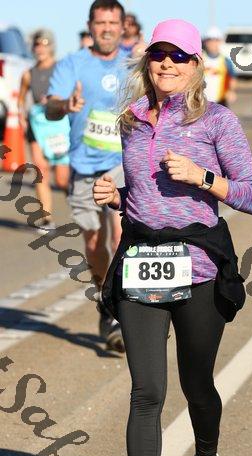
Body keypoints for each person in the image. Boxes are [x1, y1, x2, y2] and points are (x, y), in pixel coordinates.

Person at [93, 18, 252, 456]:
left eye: (178, 55)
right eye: (158, 54)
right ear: (147, 62)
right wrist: (115, 196)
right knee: (146, 391)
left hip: (199, 268)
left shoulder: (218, 121)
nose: (166, 63)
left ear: (195, 65)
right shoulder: (130, 120)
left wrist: (202, 177)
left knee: (196, 384)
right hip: (141, 260)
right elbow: (141, 195)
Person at [46, 0, 127, 353]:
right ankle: (105, 302)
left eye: (112, 22)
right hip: (84, 165)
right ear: (90, 26)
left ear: (122, 26)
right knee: (94, 244)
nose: (106, 28)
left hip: (122, 163)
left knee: (121, 236)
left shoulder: (134, 64)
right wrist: (65, 105)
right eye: (100, 22)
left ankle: (123, 309)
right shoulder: (72, 64)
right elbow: (50, 107)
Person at [18, 29, 70, 232]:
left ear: (52, 47)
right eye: (37, 45)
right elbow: (21, 99)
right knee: (40, 170)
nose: (40, 49)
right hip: (38, 125)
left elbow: (73, 91)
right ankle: (46, 219)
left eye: (44, 44)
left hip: (59, 124)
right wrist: (22, 117)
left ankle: (75, 200)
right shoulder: (28, 74)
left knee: (62, 179)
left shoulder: (61, 69)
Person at [202, 27, 237, 106]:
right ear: (205, 42)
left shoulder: (226, 61)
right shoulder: (200, 59)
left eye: (216, 40)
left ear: (220, 42)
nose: (213, 43)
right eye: (210, 40)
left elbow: (232, 78)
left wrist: (231, 91)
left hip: (220, 102)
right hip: (202, 102)